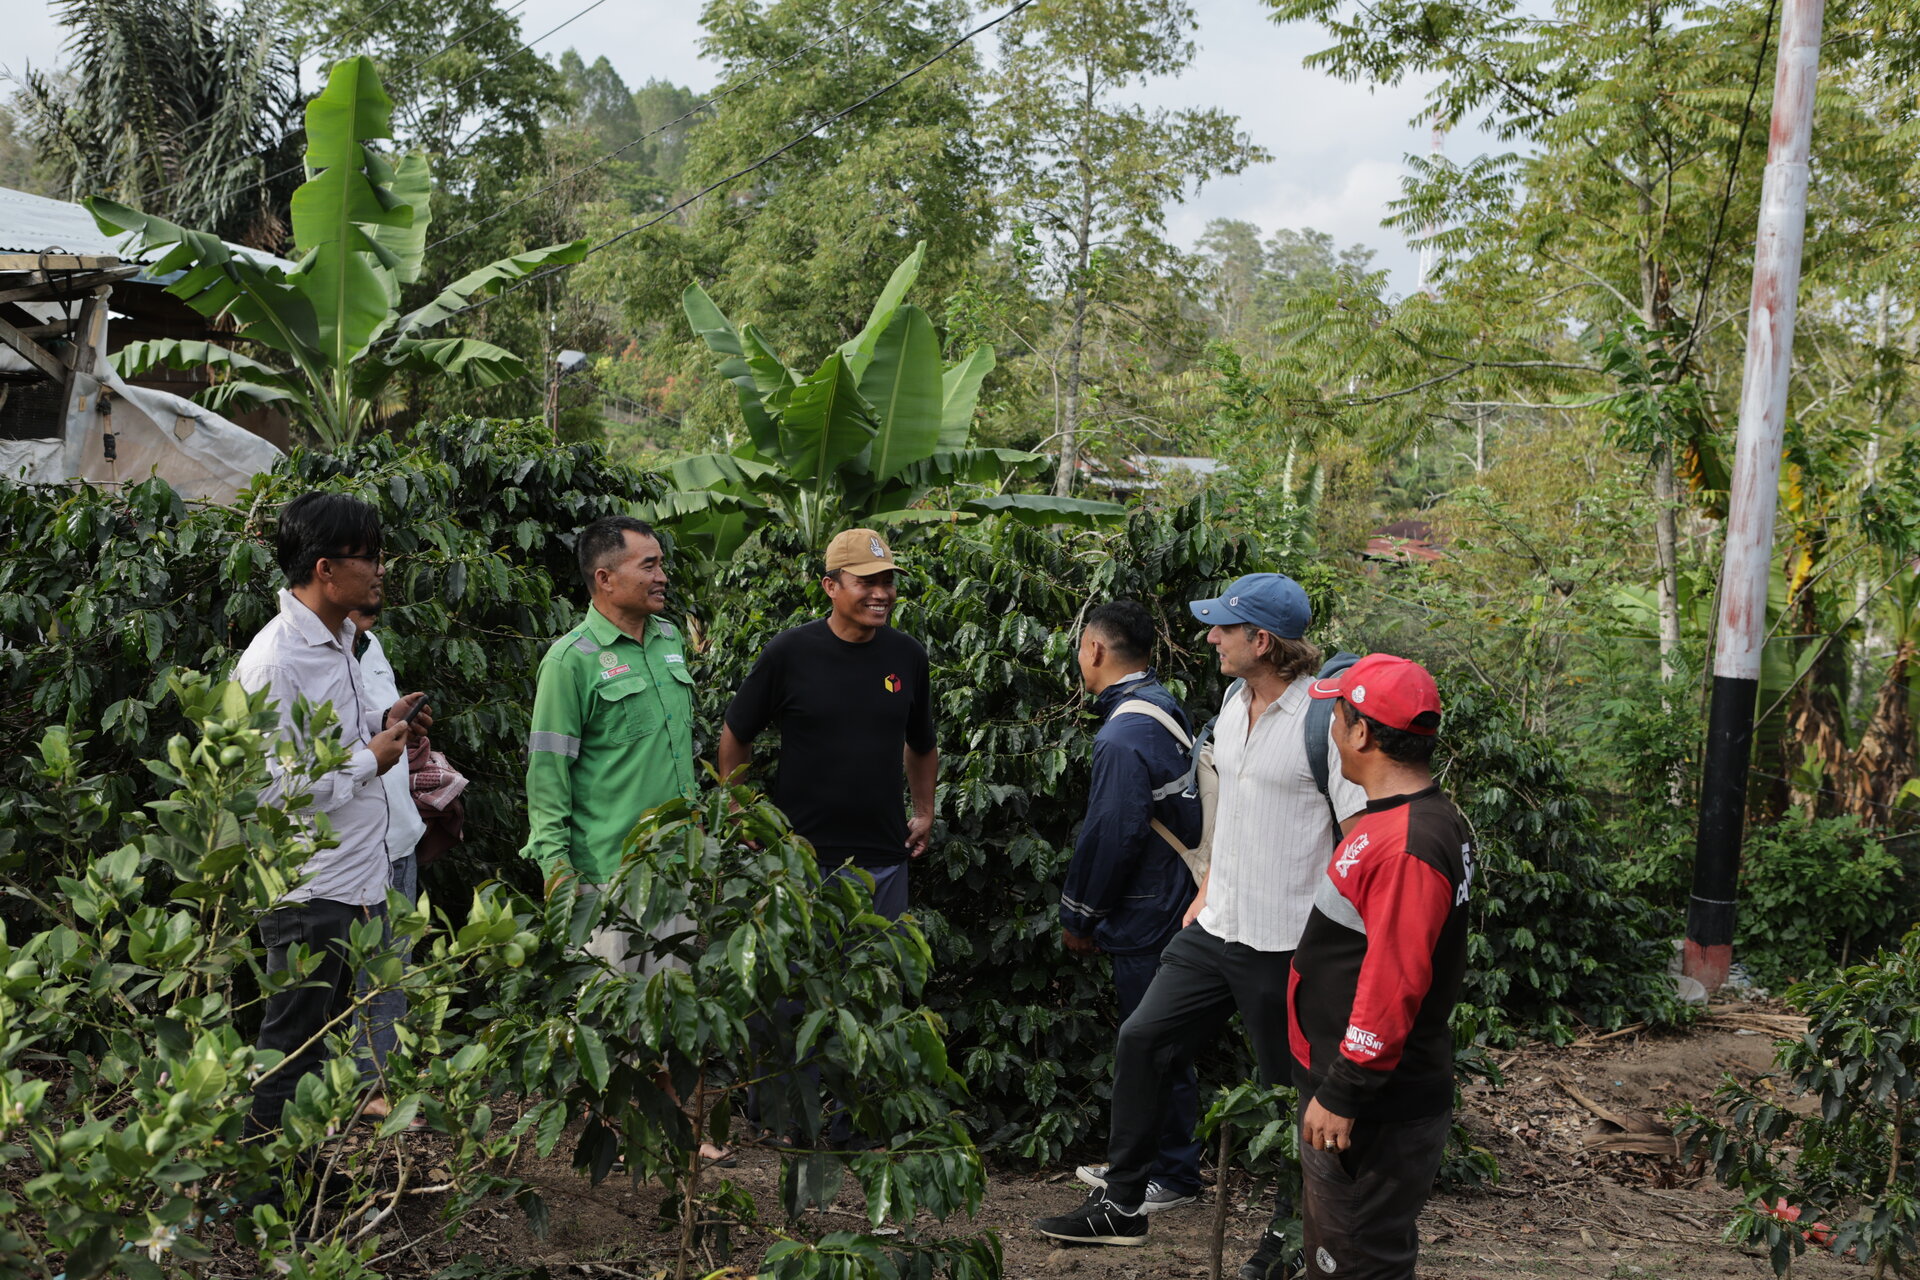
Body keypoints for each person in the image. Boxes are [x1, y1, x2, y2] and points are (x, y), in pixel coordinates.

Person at [1035, 573, 1367, 1280]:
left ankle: (1294, 1234)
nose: (1210, 637)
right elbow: (1233, 812)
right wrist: (1210, 887)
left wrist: (1336, 939)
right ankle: (1123, 1203)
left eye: (1224, 627)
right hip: (1216, 928)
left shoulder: (1323, 721)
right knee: (1143, 1040)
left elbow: (1361, 836)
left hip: (1287, 943)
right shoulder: (1231, 703)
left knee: (1293, 1094)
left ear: (1262, 640)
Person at [520, 515, 726, 1163]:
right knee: (608, 1016)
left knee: (674, 1005)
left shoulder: (669, 640)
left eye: (662, 563)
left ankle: (677, 1129)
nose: (663, 576)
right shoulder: (570, 662)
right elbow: (548, 771)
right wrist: (556, 867)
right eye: (649, 565)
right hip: (606, 872)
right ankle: (608, 1137)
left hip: (676, 866)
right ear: (605, 578)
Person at [234, 493, 427, 1147]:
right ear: (325, 568)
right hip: (307, 886)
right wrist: (371, 759)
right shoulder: (276, 661)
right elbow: (275, 788)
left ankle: (300, 1173)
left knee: (316, 1049)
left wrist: (383, 721)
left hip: (348, 880)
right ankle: (260, 1187)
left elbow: (326, 742)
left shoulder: (340, 640)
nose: (379, 570)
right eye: (367, 557)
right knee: (290, 1047)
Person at [1293, 654, 1473, 1280]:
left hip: (1373, 1106)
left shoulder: (1406, 846)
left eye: (1336, 717)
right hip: (1363, 1090)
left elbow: (1394, 982)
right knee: (1351, 1253)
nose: (1331, 731)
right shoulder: (1409, 818)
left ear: (1362, 732)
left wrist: (1344, 1090)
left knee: (1356, 1260)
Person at [1058, 601, 1205, 1214]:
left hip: (1149, 908)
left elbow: (1110, 835)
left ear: (1095, 649)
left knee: (1153, 1044)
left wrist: (1080, 916)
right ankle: (1151, 1165)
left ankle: (1167, 1174)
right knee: (1161, 1041)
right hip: (1175, 894)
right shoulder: (1160, 704)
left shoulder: (1121, 735)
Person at [717, 527, 937, 920]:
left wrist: (924, 811)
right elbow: (737, 731)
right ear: (830, 586)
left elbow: (921, 742)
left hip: (883, 855)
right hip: (801, 855)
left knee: (877, 956)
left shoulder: (908, 655)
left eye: (887, 582)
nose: (882, 594)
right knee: (801, 958)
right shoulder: (789, 653)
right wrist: (737, 806)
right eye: (866, 582)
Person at [347, 606, 429, 1126]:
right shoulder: (291, 656)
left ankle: (380, 1082)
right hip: (349, 847)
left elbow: (373, 730)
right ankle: (355, 1087)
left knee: (389, 971)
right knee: (347, 969)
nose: (377, 575)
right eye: (366, 567)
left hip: (397, 835)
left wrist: (399, 724)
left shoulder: (370, 647)